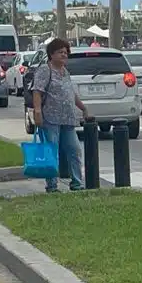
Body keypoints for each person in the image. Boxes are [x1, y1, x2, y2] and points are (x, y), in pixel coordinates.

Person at [30, 37, 91, 193]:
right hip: (50, 119)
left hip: (68, 119)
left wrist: (83, 108)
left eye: (66, 52)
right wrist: (37, 112)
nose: (64, 55)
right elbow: (37, 91)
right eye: (60, 52)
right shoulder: (45, 69)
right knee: (52, 152)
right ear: (51, 54)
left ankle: (77, 183)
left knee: (75, 150)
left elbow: (71, 93)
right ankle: (52, 185)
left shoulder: (65, 72)